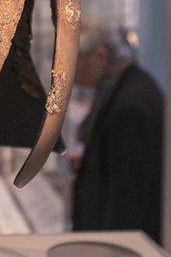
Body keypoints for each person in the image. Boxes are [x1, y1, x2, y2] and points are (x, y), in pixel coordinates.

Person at [71, 20, 165, 243]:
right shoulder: (123, 87)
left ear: (101, 56)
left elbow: (128, 200)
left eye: (74, 61)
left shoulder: (130, 104)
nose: (67, 72)